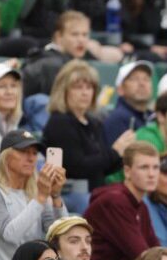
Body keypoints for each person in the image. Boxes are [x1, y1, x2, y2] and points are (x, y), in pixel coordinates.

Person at [43, 61, 134, 208]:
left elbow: (102, 168)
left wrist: (123, 152)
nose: (85, 93)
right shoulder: (60, 122)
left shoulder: (93, 122)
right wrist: (115, 151)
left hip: (94, 191)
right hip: (71, 195)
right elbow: (78, 167)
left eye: (89, 87)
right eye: (78, 87)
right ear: (64, 91)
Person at [0, 129, 68, 260]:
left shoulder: (35, 195)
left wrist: (55, 196)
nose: (31, 158)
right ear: (5, 157)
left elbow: (60, 237)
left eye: (34, 153)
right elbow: (10, 235)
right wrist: (41, 198)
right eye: (24, 151)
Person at [102, 61, 155, 145]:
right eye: (134, 79)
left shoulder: (154, 117)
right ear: (120, 89)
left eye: (146, 79)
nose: (142, 83)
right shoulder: (117, 120)